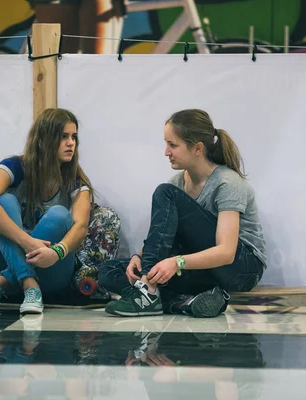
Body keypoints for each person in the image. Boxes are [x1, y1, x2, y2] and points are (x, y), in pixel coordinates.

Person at [99, 109, 267, 318]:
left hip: (241, 269)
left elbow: (226, 252)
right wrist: (138, 257)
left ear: (197, 148)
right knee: (108, 271)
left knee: (165, 193)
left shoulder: (227, 182)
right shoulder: (177, 184)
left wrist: (175, 262)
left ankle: (148, 292)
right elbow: (162, 235)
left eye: (173, 145)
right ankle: (184, 302)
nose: (166, 152)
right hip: (204, 270)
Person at [0, 108, 93, 314]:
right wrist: (27, 241)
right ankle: (29, 283)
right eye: (63, 137)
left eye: (74, 137)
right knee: (3, 201)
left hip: (49, 272)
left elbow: (81, 226)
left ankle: (3, 283)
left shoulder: (75, 183)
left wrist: (57, 252)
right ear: (44, 139)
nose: (71, 143)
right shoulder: (14, 167)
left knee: (59, 215)